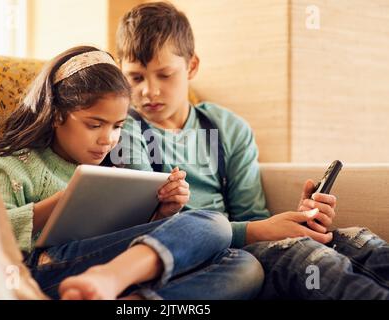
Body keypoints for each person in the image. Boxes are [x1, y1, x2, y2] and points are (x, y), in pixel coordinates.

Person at [114, 2, 389, 299]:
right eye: (136, 77)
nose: (149, 91)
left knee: (361, 242)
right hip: (205, 258)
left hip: (247, 242)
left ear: (191, 66)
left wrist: (296, 221)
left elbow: (252, 215)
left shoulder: (228, 128)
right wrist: (265, 230)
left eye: (165, 75)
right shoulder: (123, 129)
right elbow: (145, 227)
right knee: (312, 261)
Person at [0, 45, 264, 300]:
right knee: (212, 222)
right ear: (57, 115)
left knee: (244, 265)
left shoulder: (110, 167)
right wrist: (60, 203)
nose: (108, 139)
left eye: (117, 126)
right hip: (43, 268)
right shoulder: (16, 165)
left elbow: (117, 235)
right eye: (94, 125)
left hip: (105, 265)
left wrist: (161, 214)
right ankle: (110, 278)